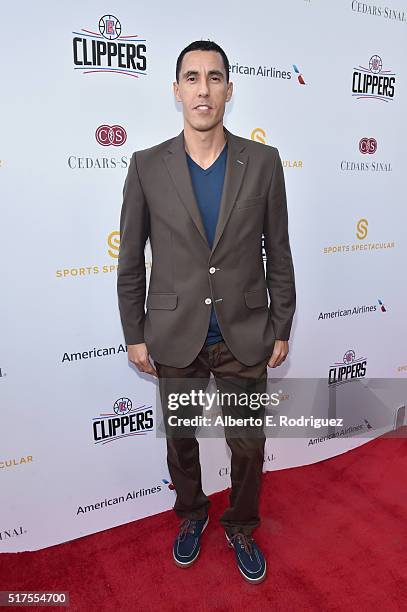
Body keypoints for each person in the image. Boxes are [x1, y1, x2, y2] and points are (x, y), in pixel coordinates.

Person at [117, 40, 296, 584]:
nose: (203, 88)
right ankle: (192, 514)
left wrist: (281, 322)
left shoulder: (262, 162)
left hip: (245, 330)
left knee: (248, 444)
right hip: (173, 333)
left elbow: (278, 249)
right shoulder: (147, 166)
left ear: (228, 90)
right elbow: (130, 258)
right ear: (177, 91)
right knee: (181, 438)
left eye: (214, 77)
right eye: (192, 78)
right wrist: (135, 332)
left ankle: (241, 525)